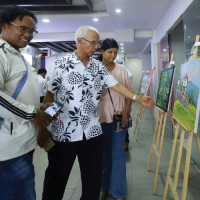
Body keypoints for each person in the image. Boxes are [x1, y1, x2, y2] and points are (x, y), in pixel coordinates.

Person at [38, 26, 155, 200]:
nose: (95, 47)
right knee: (56, 180)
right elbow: (50, 97)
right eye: (93, 43)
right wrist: (46, 123)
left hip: (92, 131)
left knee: (92, 181)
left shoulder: (97, 66)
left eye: (97, 43)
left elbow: (117, 85)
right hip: (64, 132)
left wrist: (138, 98)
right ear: (79, 41)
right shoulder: (61, 64)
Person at [0, 6, 53, 200]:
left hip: (23, 143)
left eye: (31, 31)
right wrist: (33, 113)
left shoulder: (17, 56)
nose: (28, 35)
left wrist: (40, 109)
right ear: (4, 25)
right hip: (8, 150)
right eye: (23, 28)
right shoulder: (1, 53)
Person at [98, 38, 133, 200]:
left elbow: (129, 94)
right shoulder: (95, 69)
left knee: (118, 155)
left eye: (115, 52)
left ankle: (118, 191)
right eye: (110, 52)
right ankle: (104, 187)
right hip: (100, 120)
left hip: (119, 118)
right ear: (102, 52)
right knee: (104, 155)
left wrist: (127, 112)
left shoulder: (122, 70)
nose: (113, 55)